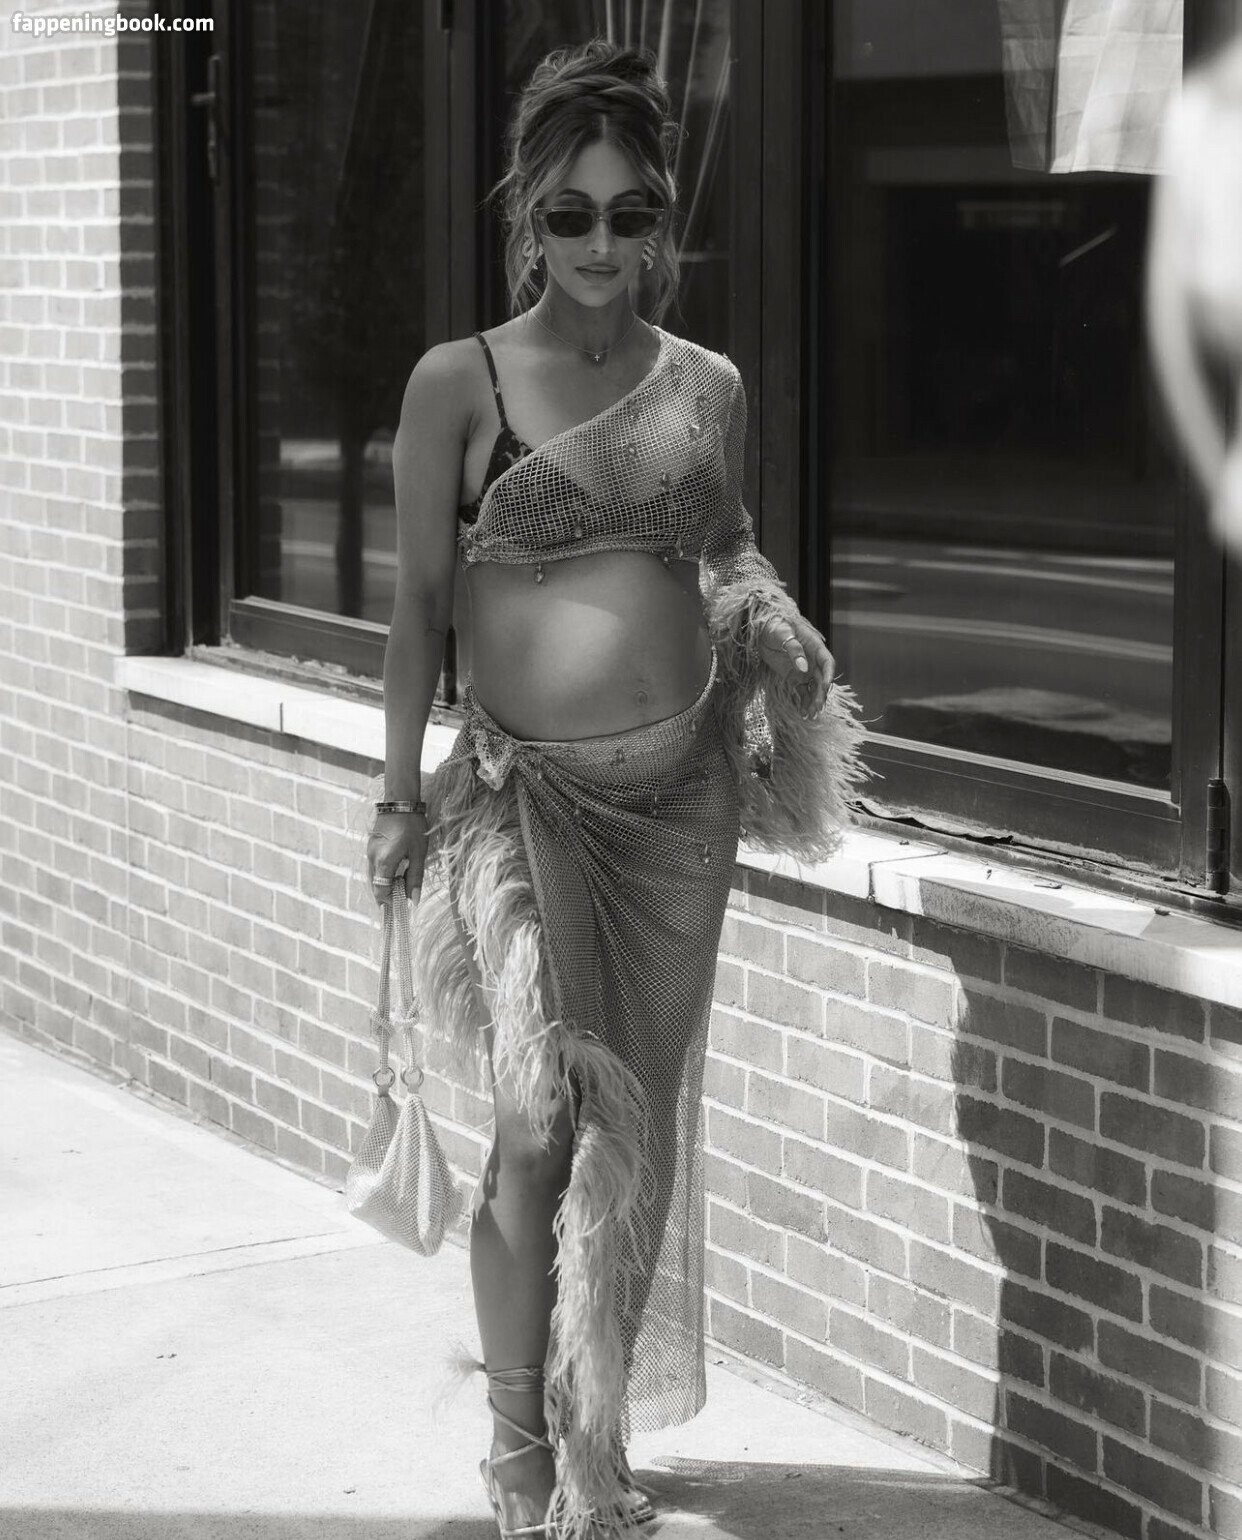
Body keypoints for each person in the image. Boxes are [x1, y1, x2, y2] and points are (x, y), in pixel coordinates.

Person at [366, 38, 864, 1540]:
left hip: (680, 811)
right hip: (521, 802)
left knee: (634, 1132)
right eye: (570, 213)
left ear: (661, 221)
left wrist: (769, 620)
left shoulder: (703, 387)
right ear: (527, 214)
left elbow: (723, 550)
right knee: (538, 1118)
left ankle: (595, 1443)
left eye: (629, 213)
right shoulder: (457, 382)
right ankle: (516, 1446)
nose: (600, 243)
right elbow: (418, 610)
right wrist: (396, 795)